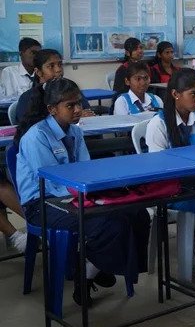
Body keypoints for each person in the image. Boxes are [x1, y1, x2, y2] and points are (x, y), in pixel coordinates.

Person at [15, 78, 150, 306]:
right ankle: (84, 273)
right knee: (110, 224)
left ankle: (96, 266)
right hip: (43, 203)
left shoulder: (75, 132)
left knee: (138, 214)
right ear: (52, 109)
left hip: (75, 195)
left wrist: (99, 192)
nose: (78, 110)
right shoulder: (37, 137)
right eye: (70, 105)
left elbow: (86, 170)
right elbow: (52, 183)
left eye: (78, 103)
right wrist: (90, 197)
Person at [145, 68, 195, 253]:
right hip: (173, 191)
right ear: (176, 94)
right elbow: (157, 170)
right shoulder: (158, 124)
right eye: (193, 94)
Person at [17, 49, 91, 125]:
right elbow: (27, 124)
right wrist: (69, 117)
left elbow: (87, 112)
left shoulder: (71, 90)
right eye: (51, 66)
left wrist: (80, 115)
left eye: (60, 65)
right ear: (38, 72)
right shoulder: (26, 98)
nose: (58, 70)